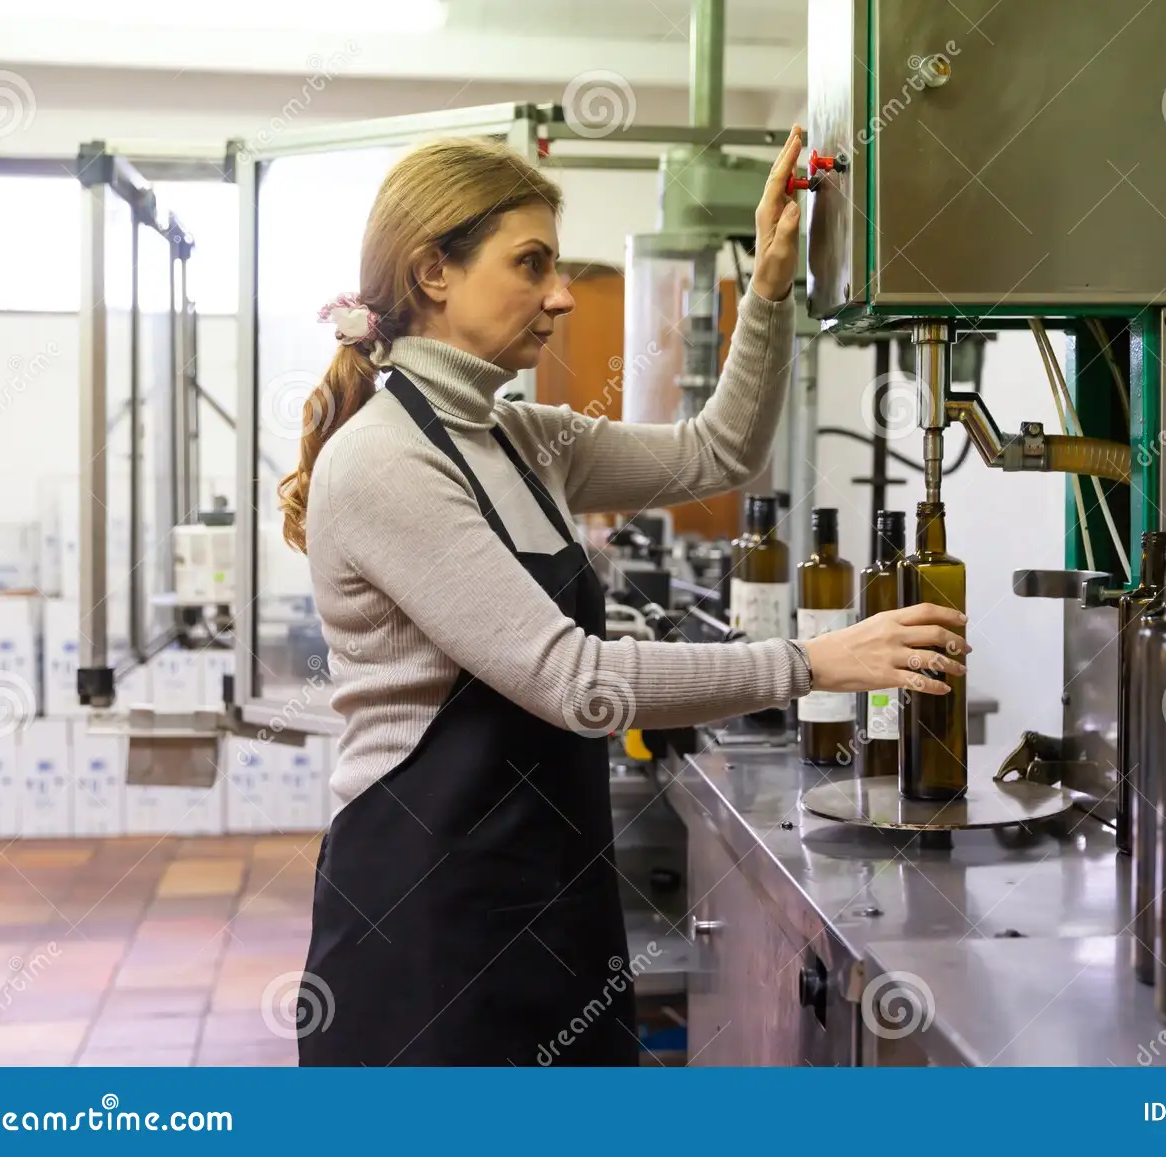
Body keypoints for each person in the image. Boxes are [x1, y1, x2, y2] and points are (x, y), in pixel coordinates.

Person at [279, 125, 969, 1066]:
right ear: (433, 271)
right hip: (427, 915)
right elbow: (571, 680)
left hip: (549, 885)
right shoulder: (383, 461)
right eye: (532, 265)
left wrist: (767, 294)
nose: (561, 295)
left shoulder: (521, 436)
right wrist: (812, 663)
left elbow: (717, 452)